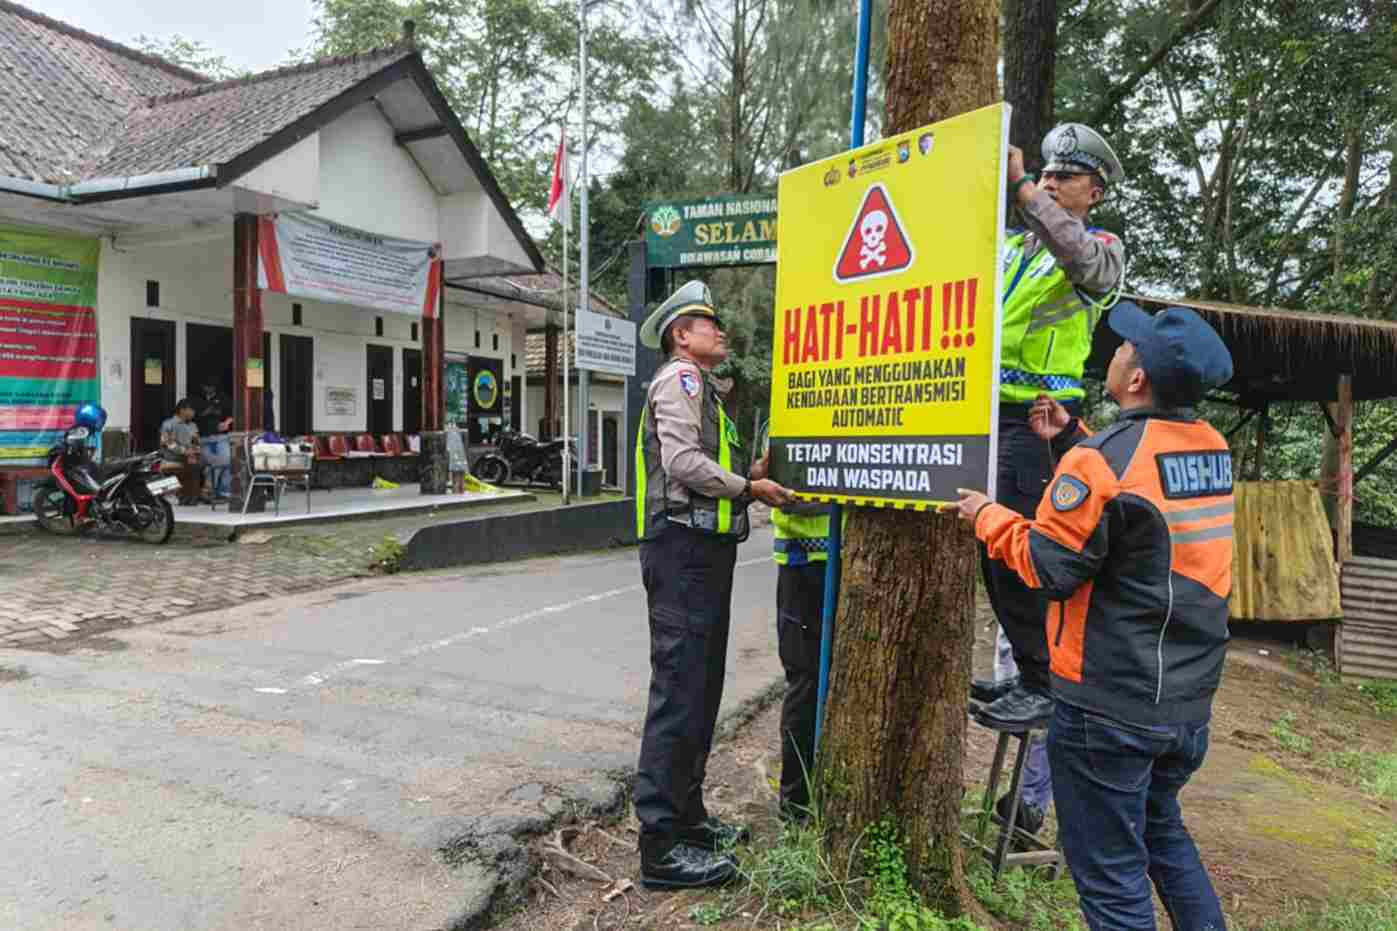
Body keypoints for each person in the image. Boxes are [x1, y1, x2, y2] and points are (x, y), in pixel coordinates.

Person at [949, 302, 1234, 931]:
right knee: (1163, 836)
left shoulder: (1101, 461)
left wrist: (986, 515)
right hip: (1184, 703)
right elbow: (1139, 513)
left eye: (1126, 346)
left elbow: (1048, 567)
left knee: (1110, 879)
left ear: (1136, 380)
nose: (1116, 350)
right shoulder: (1211, 448)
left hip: (1108, 706)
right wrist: (1075, 435)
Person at [633, 280, 794, 890]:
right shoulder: (681, 380)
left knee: (700, 688)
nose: (720, 330)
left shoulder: (706, 391)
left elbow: (708, 465)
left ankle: (689, 818)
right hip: (682, 550)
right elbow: (681, 465)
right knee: (680, 689)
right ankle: (660, 847)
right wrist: (749, 488)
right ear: (681, 334)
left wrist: (747, 474)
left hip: (703, 550)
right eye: (709, 322)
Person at [974, 125, 1127, 735]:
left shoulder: (1099, 247)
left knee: (1021, 554)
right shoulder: (1017, 248)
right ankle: (1030, 672)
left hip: (1040, 423)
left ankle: (1043, 681)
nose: (1051, 182)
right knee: (992, 550)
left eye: (1066, 178)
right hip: (987, 415)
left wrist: (1024, 192)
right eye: (1047, 174)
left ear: (1094, 193)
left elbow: (1080, 258)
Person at [750, 449, 832, 823]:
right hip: (805, 566)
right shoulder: (794, 415)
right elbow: (781, 492)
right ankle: (797, 807)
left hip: (850, 565)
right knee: (806, 684)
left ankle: (819, 795)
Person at [196, 380, 233, 501]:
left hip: (221, 436)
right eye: (206, 386)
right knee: (212, 464)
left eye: (210, 386)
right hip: (203, 438)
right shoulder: (198, 399)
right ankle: (209, 490)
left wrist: (226, 423)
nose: (208, 389)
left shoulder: (223, 398)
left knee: (226, 462)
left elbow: (233, 413)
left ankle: (223, 492)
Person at [160, 398, 201, 505]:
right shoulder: (168, 424)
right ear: (182, 410)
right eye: (191, 410)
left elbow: (196, 442)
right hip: (172, 458)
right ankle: (187, 496)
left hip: (189, 458)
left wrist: (194, 451)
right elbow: (167, 443)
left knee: (197, 464)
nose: (193, 413)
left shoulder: (193, 426)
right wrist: (185, 452)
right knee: (193, 466)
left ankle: (191, 497)